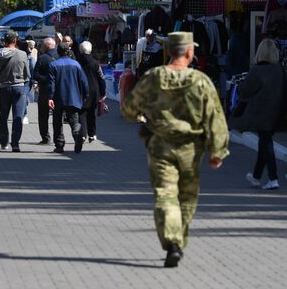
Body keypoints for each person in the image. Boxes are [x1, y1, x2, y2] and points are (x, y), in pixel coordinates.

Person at [121, 32, 229, 268]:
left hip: (160, 145)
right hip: (192, 149)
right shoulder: (201, 81)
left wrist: (139, 115)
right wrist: (217, 150)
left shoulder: (152, 77)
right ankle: (177, 239)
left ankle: (172, 243)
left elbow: (129, 109)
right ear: (189, 52)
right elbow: (215, 117)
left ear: (169, 51)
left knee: (165, 194)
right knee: (187, 197)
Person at [229, 39, 285, 190]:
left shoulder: (257, 70)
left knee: (266, 144)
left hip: (260, 112)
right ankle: (256, 176)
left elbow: (245, 90)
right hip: (275, 111)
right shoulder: (279, 69)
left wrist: (239, 86)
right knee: (264, 142)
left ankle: (273, 178)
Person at [0, 30, 29, 152]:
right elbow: (27, 73)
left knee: (3, 116)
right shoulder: (22, 54)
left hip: (4, 87)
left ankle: (3, 142)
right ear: (15, 40)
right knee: (17, 116)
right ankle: (15, 143)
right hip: (19, 86)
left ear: (5, 40)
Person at [48, 41, 89, 154]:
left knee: (57, 122)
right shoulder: (76, 64)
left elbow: (51, 83)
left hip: (58, 98)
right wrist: (86, 94)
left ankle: (59, 145)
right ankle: (77, 135)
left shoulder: (53, 65)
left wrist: (50, 98)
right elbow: (84, 81)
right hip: (73, 97)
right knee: (74, 120)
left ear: (58, 52)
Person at [78, 41, 106, 143]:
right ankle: (92, 134)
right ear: (90, 50)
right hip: (94, 90)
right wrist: (103, 92)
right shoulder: (95, 63)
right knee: (91, 113)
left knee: (81, 113)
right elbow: (101, 78)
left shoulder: (77, 62)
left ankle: (83, 134)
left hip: (81, 90)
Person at [32, 37, 58, 145]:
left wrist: (46, 79)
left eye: (41, 45)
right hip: (58, 90)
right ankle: (58, 137)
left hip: (45, 90)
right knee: (58, 115)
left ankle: (45, 137)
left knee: (43, 115)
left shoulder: (42, 58)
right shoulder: (60, 56)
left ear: (45, 46)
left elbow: (35, 75)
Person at [18, 39, 36, 125]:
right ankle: (22, 114)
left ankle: (24, 115)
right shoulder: (29, 57)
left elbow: (33, 69)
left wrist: (34, 81)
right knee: (23, 98)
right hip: (23, 80)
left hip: (26, 81)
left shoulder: (30, 58)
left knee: (24, 98)